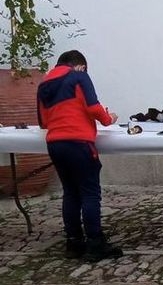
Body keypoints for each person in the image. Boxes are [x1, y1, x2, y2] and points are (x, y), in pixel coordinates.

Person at [36, 50, 123, 263]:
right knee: (90, 193)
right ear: (81, 66)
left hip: (55, 144)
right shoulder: (79, 77)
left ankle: (74, 242)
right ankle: (95, 244)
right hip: (78, 143)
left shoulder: (44, 84)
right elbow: (94, 108)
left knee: (70, 192)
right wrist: (109, 118)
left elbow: (43, 122)